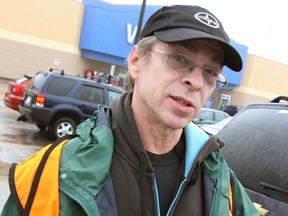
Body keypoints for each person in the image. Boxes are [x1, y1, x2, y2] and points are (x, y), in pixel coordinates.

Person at [1, 5, 259, 216]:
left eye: (211, 71)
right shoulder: (49, 174)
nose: (197, 81)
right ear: (136, 61)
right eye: (180, 58)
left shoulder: (223, 183)